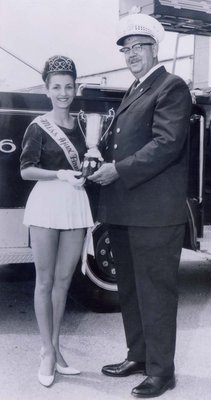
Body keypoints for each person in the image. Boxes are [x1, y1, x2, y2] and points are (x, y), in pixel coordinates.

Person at [88, 13, 192, 398]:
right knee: (130, 289)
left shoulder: (171, 86)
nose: (131, 55)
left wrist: (118, 170)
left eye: (138, 48)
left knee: (156, 292)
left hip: (153, 213)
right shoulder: (136, 88)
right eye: (126, 49)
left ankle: (162, 371)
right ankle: (139, 355)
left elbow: (166, 145)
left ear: (154, 49)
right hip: (125, 210)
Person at [20, 55, 94, 387]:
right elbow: (25, 170)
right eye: (56, 87)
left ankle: (57, 347)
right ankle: (47, 352)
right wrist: (61, 173)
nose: (63, 92)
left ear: (75, 88)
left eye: (68, 86)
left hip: (75, 204)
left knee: (64, 283)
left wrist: (90, 164)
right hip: (47, 204)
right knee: (45, 282)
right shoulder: (37, 126)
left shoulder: (82, 125)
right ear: (47, 90)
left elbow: (87, 164)